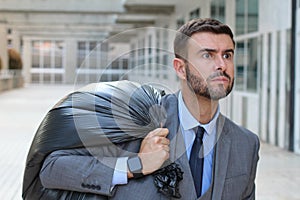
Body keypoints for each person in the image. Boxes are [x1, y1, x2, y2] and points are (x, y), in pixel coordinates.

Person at [36, 18, 260, 200]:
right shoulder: (137, 120)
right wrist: (135, 164)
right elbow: (53, 169)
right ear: (180, 68)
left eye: (227, 55)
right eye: (207, 55)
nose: (221, 64)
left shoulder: (246, 144)